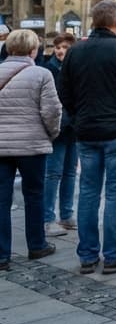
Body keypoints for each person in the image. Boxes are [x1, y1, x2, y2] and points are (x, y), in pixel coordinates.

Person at [61, 0, 116, 275]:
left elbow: (64, 91)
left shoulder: (76, 51)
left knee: (88, 192)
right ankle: (113, 255)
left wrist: (77, 118)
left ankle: (87, 256)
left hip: (87, 132)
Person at [0, 29, 63, 270]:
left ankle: (1, 254)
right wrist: (51, 134)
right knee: (35, 195)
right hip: (32, 145)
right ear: (33, 50)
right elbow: (52, 111)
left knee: (1, 199)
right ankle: (37, 245)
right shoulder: (41, 74)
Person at [41, 32, 78, 239]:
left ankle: (66, 215)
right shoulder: (49, 69)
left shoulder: (76, 68)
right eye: (57, 47)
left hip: (74, 128)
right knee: (53, 173)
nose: (60, 51)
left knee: (70, 173)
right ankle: (48, 218)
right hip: (57, 129)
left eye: (64, 47)